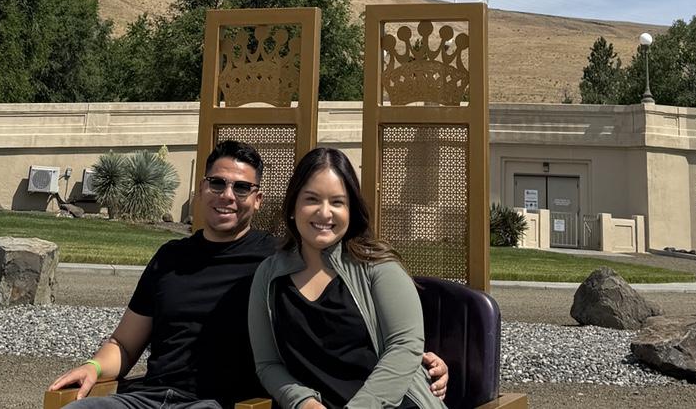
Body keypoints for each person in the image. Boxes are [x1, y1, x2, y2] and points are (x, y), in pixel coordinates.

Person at [48, 140, 447, 409]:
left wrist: (422, 359)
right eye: (218, 183)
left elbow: (387, 339)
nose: (227, 195)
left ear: (258, 200)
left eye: (241, 188)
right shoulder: (178, 258)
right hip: (148, 396)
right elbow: (124, 341)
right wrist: (94, 367)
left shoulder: (275, 260)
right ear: (201, 188)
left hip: (217, 403)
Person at [248, 146, 432, 409]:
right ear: (293, 206)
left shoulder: (378, 266)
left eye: (337, 202)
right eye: (312, 199)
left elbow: (405, 346)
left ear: (351, 210)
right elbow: (268, 364)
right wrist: (303, 402)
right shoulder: (269, 275)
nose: (325, 213)